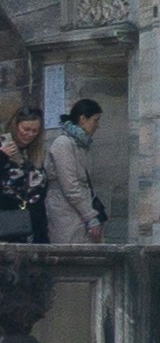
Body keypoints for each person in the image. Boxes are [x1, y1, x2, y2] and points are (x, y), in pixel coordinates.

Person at [43, 98, 105, 243]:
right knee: (69, 250)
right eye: (95, 120)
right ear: (83, 119)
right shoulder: (63, 143)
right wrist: (90, 216)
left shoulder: (81, 145)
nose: (98, 126)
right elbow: (70, 185)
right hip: (65, 210)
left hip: (78, 209)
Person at [0, 106, 44, 245]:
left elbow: (39, 197)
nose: (30, 134)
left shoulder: (35, 154)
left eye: (35, 131)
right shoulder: (3, 145)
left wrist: (42, 237)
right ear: (16, 126)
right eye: (26, 129)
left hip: (28, 223)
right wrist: (2, 156)